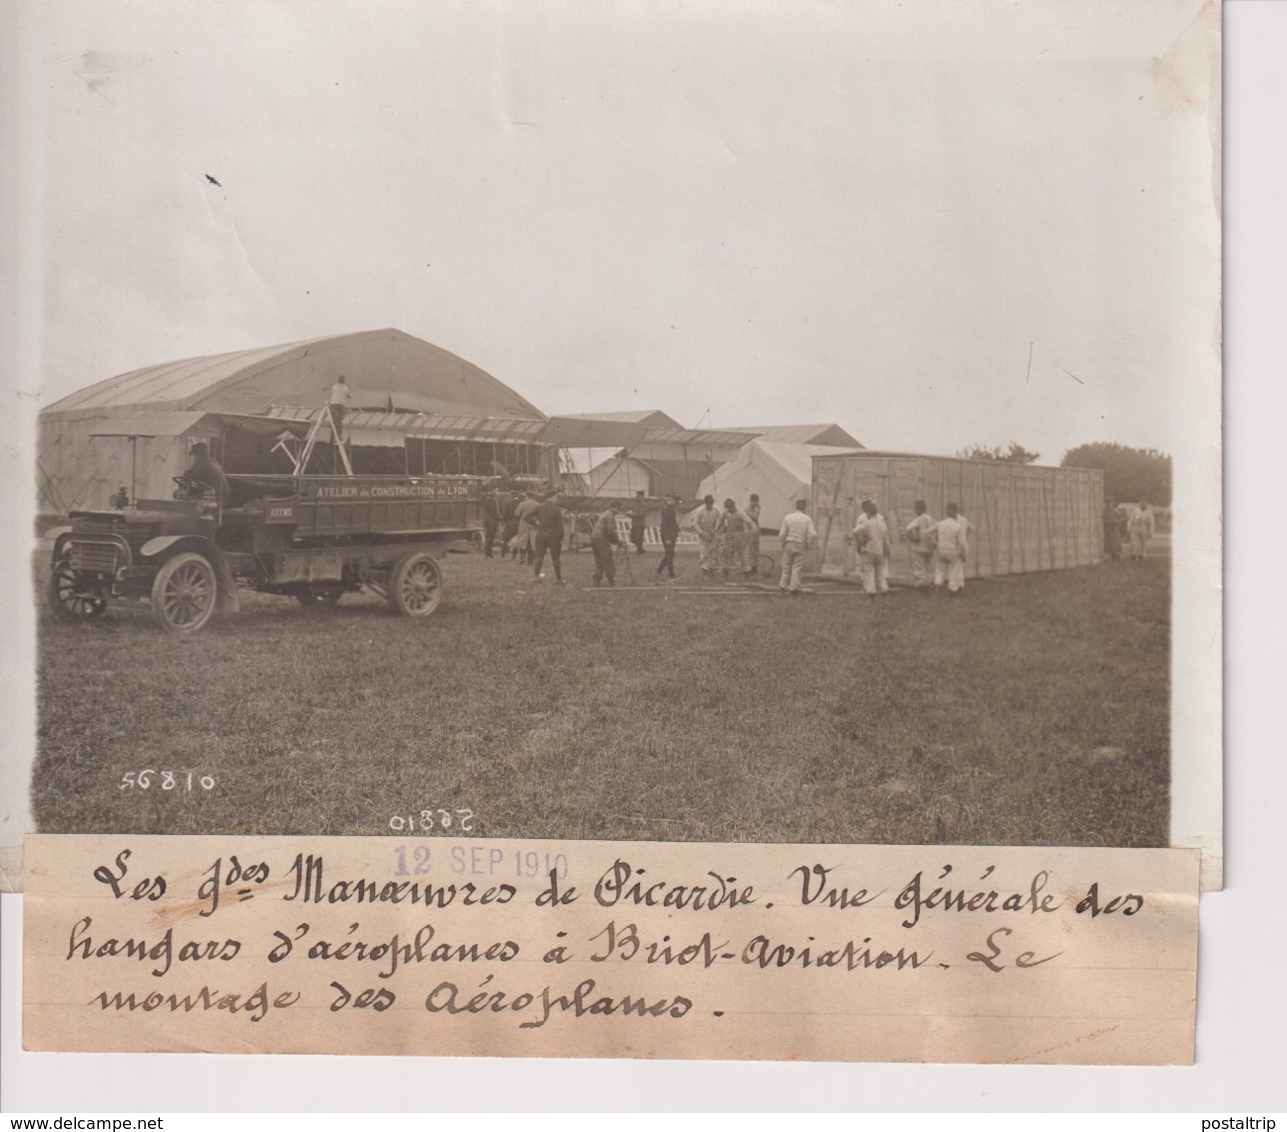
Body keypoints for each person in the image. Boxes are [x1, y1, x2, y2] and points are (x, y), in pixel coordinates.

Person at [853, 500, 891, 596]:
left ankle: (871, 590)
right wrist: (886, 550)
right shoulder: (883, 525)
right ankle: (884, 588)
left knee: (869, 571)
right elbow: (886, 539)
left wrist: (861, 541)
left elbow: (855, 531)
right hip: (880, 551)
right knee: (880, 572)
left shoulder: (867, 523)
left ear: (869, 512)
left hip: (869, 549)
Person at [779, 498, 817, 594]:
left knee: (786, 566)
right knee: (797, 567)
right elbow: (813, 534)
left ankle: (783, 585)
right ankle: (794, 587)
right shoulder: (807, 519)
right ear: (805, 507)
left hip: (789, 543)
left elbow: (782, 534)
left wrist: (783, 544)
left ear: (796, 506)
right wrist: (808, 544)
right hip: (800, 544)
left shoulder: (788, 517)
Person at [933, 502, 969, 595]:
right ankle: (953, 590)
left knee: (940, 570)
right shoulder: (959, 524)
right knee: (955, 569)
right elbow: (962, 543)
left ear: (946, 511)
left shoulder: (940, 523)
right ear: (956, 511)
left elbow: (928, 532)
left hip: (941, 550)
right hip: (953, 551)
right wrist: (964, 554)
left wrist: (934, 543)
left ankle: (937, 589)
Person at [531, 492, 566, 584]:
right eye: (556, 497)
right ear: (553, 497)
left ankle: (535, 577)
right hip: (554, 536)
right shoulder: (556, 509)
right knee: (556, 558)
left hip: (541, 535)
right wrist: (561, 537)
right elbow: (560, 526)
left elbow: (527, 517)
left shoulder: (539, 507)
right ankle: (559, 579)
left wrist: (535, 523)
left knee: (539, 556)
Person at [721, 497, 757, 580]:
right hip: (730, 535)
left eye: (730, 508)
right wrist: (718, 529)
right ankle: (725, 574)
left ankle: (747, 574)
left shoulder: (740, 512)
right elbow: (720, 521)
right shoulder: (725, 512)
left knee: (743, 555)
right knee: (728, 554)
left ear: (734, 506)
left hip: (740, 535)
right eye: (727, 509)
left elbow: (749, 521)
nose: (729, 510)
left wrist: (754, 529)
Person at [904, 499, 937, 589]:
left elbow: (908, 528)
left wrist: (913, 538)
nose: (915, 511)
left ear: (919, 509)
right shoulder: (932, 519)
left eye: (916, 509)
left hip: (919, 547)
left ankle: (923, 587)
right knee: (928, 567)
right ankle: (930, 584)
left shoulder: (919, 519)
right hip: (930, 548)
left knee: (920, 568)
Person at [692, 494, 723, 581]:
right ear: (705, 503)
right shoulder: (700, 511)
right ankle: (705, 572)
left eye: (710, 504)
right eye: (707, 504)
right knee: (704, 553)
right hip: (704, 533)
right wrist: (702, 533)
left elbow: (721, 519)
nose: (709, 506)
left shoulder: (717, 509)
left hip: (713, 532)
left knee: (714, 553)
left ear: (713, 503)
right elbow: (694, 523)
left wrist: (716, 529)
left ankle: (712, 572)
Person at [590, 501, 621, 586]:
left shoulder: (604, 514)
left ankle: (596, 580)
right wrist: (617, 541)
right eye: (618, 509)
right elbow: (610, 531)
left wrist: (614, 541)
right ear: (613, 507)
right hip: (601, 538)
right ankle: (611, 581)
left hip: (594, 537)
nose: (619, 511)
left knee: (599, 560)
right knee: (608, 559)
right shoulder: (610, 515)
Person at [656, 493, 680, 579]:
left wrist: (676, 528)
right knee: (669, 555)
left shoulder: (671, 509)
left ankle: (658, 571)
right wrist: (667, 538)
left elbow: (671, 523)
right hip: (667, 536)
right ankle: (672, 575)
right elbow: (664, 525)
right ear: (672, 500)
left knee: (669, 554)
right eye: (676, 501)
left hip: (671, 535)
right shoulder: (666, 510)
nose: (677, 503)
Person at [512, 490, 539, 565]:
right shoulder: (538, 504)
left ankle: (523, 559)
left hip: (523, 525)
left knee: (522, 542)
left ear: (527, 496)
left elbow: (516, 514)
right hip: (533, 525)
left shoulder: (522, 504)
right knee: (532, 543)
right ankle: (531, 560)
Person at [328, 375, 352, 441]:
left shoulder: (334, 386)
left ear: (338, 380)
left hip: (334, 405)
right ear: (344, 381)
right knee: (339, 421)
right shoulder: (345, 388)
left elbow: (330, 392)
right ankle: (339, 435)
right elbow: (349, 396)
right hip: (341, 406)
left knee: (335, 421)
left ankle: (336, 436)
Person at [481, 487, 501, 559]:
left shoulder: (496, 500)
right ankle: (487, 554)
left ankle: (490, 554)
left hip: (493, 521)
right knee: (489, 538)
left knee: (491, 538)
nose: (497, 493)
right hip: (490, 521)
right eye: (496, 491)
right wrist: (499, 518)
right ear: (493, 492)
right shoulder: (490, 500)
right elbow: (493, 512)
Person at [745, 493, 762, 575]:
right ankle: (750, 567)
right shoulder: (747, 509)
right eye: (755, 501)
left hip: (755, 532)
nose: (756, 503)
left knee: (756, 550)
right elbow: (754, 517)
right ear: (751, 501)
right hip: (749, 532)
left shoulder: (755, 509)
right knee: (751, 550)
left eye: (757, 501)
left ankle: (754, 567)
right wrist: (758, 510)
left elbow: (756, 520)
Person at [500, 492, 521, 558]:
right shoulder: (520, 504)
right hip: (518, 524)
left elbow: (504, 515)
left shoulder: (508, 504)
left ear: (512, 496)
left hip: (509, 524)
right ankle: (514, 555)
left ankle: (503, 554)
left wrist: (504, 522)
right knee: (516, 539)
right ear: (518, 496)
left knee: (504, 539)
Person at [629, 490, 648, 555]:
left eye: (638, 496)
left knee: (638, 538)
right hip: (635, 524)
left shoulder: (643, 505)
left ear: (642, 497)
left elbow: (640, 514)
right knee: (633, 538)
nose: (637, 497)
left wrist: (631, 515)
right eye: (637, 496)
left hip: (640, 524)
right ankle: (641, 550)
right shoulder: (635, 504)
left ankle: (640, 551)